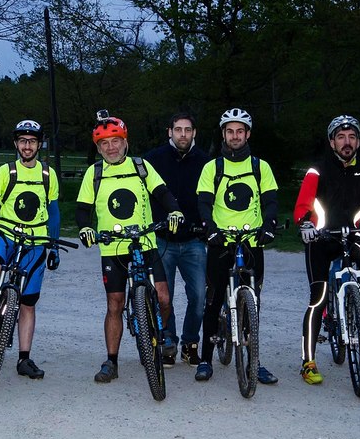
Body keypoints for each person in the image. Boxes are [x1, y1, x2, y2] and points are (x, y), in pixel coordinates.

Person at [75, 110, 184, 384]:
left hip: (145, 243)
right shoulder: (95, 172)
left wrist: (174, 211)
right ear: (98, 148)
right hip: (112, 248)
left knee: (163, 298)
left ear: (125, 141)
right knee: (115, 304)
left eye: (115, 141)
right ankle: (111, 361)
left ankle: (160, 336)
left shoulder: (140, 166)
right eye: (104, 144)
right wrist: (85, 227)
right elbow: (83, 208)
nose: (110, 147)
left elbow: (162, 192)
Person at [293, 115, 360, 385]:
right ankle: (308, 362)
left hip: (352, 235)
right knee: (318, 298)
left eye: (351, 137)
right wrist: (305, 224)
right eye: (341, 137)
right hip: (321, 239)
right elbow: (303, 204)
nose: (346, 142)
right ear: (331, 141)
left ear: (358, 141)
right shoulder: (318, 170)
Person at [193, 108, 281, 384]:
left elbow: (271, 201)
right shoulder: (213, 167)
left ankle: (255, 361)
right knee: (214, 299)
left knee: (253, 303)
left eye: (239, 131)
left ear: (247, 134)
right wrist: (210, 228)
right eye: (230, 131)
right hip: (222, 242)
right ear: (223, 134)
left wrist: (269, 224)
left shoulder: (259, 166)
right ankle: (205, 358)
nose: (235, 136)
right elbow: (204, 203)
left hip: (252, 242)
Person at [0, 120, 62, 379]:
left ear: (39, 144)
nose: (27, 145)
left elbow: (53, 212)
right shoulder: (7, 171)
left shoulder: (47, 174)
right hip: (7, 234)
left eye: (32, 141)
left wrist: (52, 246)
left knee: (28, 303)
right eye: (22, 141)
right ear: (16, 144)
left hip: (36, 241)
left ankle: (24, 359)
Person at [142, 112, 212, 367]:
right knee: (164, 298)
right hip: (162, 240)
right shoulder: (152, 159)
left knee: (199, 297)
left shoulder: (207, 162)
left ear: (194, 132)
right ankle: (168, 343)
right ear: (169, 131)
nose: (183, 134)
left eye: (188, 129)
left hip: (194, 240)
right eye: (178, 129)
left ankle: (190, 344)